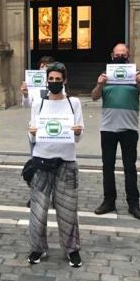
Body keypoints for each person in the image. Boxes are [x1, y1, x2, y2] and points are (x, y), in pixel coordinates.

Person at [27, 62, 84, 268]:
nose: (54, 82)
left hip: (66, 162)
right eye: (50, 79)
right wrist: (32, 132)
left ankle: (72, 249)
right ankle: (37, 247)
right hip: (42, 161)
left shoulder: (73, 103)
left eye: (57, 79)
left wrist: (77, 131)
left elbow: (78, 136)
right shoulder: (38, 104)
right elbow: (32, 134)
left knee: (68, 209)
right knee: (38, 209)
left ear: (65, 80)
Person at [91, 43, 140, 219]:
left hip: (129, 128)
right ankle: (109, 201)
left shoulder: (136, 75)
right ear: (112, 55)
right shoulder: (105, 76)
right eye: (117, 54)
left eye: (123, 54)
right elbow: (94, 96)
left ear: (128, 56)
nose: (120, 56)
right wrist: (99, 84)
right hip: (108, 128)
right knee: (107, 167)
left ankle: (134, 204)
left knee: (130, 167)